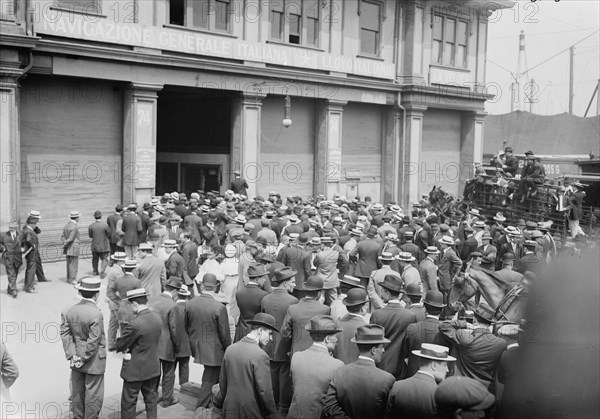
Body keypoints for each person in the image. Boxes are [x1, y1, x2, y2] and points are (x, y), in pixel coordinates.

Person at [322, 324, 396, 419]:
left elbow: (329, 406)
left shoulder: (340, 372)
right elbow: (389, 413)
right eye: (382, 347)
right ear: (373, 350)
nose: (383, 350)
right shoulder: (387, 379)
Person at [60, 277, 106, 419]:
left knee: (77, 392)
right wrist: (83, 358)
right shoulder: (96, 313)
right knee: (93, 395)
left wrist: (73, 355)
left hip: (75, 358)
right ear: (96, 294)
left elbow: (65, 333)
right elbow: (94, 340)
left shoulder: (71, 310)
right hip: (93, 361)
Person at [218, 313, 278, 418]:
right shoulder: (261, 355)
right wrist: (272, 414)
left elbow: (223, 382)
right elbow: (265, 391)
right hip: (250, 412)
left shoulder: (230, 349)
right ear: (260, 331)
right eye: (270, 333)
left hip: (229, 409)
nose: (271, 338)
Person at [439, 303, 507, 394]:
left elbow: (444, 326)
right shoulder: (501, 343)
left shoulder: (464, 338)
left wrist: (464, 324)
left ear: (474, 319)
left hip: (463, 390)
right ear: (490, 323)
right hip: (486, 393)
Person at [186, 273, 231, 408]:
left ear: (201, 286)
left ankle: (212, 403)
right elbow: (224, 334)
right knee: (210, 379)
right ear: (215, 288)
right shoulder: (219, 307)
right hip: (214, 350)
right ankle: (201, 408)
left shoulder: (190, 304)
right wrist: (228, 349)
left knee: (210, 377)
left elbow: (186, 326)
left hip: (197, 346)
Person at [116, 288, 163, 419]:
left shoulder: (135, 324)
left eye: (130, 305)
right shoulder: (157, 318)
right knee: (151, 401)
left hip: (135, 371)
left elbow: (120, 344)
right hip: (153, 367)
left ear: (135, 304)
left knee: (129, 403)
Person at [288, 315, 344, 419]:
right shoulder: (337, 365)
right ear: (327, 339)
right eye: (335, 337)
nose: (336, 341)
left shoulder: (296, 356)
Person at [260, 267, 298, 415]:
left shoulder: (266, 298)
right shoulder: (293, 300)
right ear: (284, 283)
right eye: (292, 282)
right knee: (285, 379)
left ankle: (270, 406)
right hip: (285, 345)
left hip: (267, 345)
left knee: (271, 377)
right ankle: (282, 408)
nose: (294, 285)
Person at [385, 343, 455, 419]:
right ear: (434, 365)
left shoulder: (397, 386)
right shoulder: (438, 394)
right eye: (445, 365)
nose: (447, 370)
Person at [370, 274, 417, 379]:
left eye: (382, 291)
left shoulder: (377, 315)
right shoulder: (410, 316)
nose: (381, 294)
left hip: (379, 364)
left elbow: (371, 341)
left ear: (387, 293)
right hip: (400, 366)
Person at [147, 276, 180, 408]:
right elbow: (174, 329)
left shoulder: (152, 300)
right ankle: (167, 398)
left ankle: (152, 397)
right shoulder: (173, 305)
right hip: (167, 345)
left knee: (155, 372)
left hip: (152, 342)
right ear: (175, 291)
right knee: (168, 372)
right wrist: (177, 346)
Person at [401, 290, 448, 379]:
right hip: (436, 378)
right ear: (441, 310)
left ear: (424, 308)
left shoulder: (412, 328)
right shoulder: (446, 331)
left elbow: (404, 355)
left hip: (412, 376)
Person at [281, 275, 331, 356]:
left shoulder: (292, 308)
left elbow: (284, 334)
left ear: (305, 291)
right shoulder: (325, 310)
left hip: (296, 354)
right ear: (319, 293)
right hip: (317, 354)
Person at [332, 287, 369, 365]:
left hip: (337, 370)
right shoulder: (365, 328)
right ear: (362, 308)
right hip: (355, 372)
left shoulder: (336, 324)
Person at [234, 263, 269, 342]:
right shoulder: (264, 295)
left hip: (241, 330)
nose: (265, 280)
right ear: (257, 279)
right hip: (256, 331)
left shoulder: (239, 293)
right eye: (263, 277)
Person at [169, 284, 192, 388]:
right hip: (186, 343)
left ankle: (168, 390)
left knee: (169, 370)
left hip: (172, 343)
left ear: (176, 295)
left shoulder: (171, 307)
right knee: (184, 368)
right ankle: (184, 389)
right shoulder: (189, 309)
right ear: (187, 296)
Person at [0, 221, 23, 298]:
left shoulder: (20, 234)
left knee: (15, 273)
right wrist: (2, 248)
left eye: (13, 227)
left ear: (16, 227)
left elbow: (25, 243)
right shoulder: (3, 235)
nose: (12, 228)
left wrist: (23, 248)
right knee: (11, 274)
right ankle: (13, 290)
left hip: (17, 257)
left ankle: (10, 289)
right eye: (10, 227)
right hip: (8, 257)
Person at [437, 236, 463, 303]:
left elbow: (460, 263)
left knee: (446, 295)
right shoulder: (444, 251)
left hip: (446, 277)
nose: (440, 244)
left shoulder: (451, 253)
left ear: (445, 245)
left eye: (442, 243)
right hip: (442, 276)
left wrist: (455, 273)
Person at [88, 210, 111, 277]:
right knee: (104, 258)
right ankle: (102, 269)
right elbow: (109, 234)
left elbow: (90, 236)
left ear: (95, 217)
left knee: (95, 259)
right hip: (104, 246)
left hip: (95, 246)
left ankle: (95, 271)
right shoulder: (105, 225)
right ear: (101, 216)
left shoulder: (91, 226)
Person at [62, 211, 81, 285]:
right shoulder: (74, 227)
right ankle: (72, 279)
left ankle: (69, 278)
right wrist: (65, 244)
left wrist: (64, 244)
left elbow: (63, 236)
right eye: (78, 217)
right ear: (76, 218)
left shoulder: (66, 225)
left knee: (69, 263)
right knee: (74, 264)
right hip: (74, 247)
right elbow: (71, 238)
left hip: (68, 248)